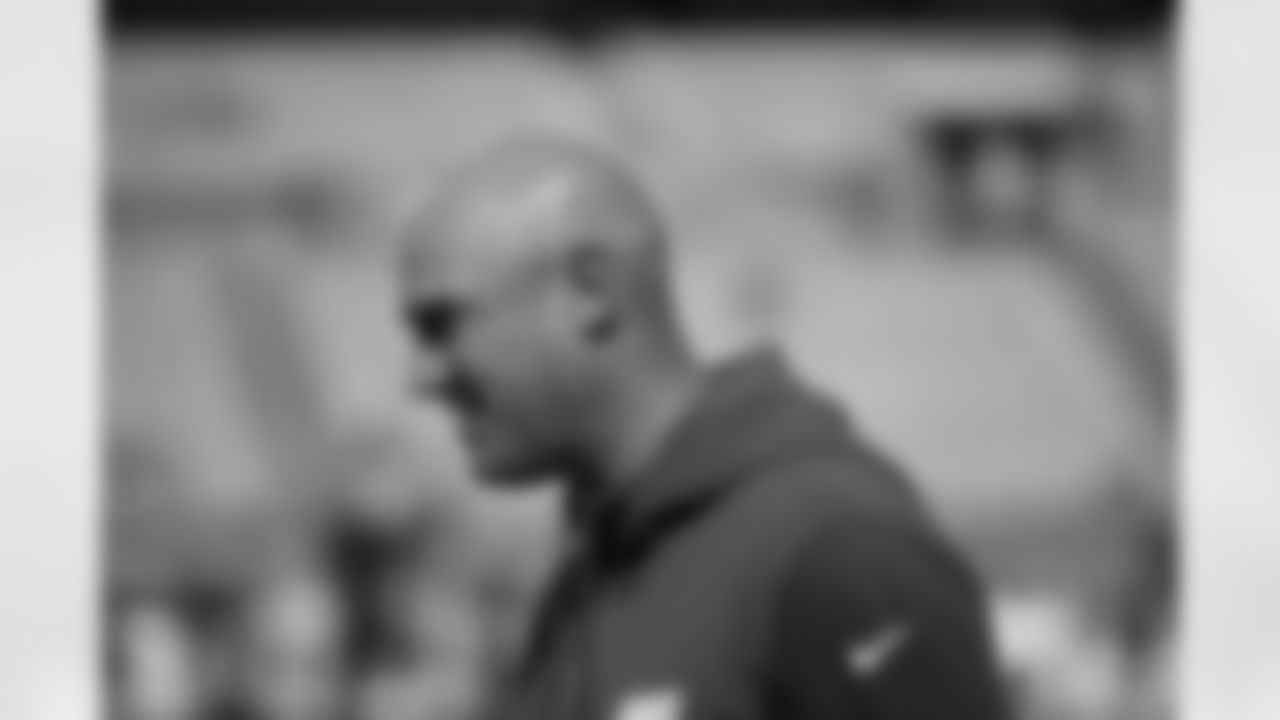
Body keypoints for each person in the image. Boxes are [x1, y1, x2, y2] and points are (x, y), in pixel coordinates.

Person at [396, 135, 1012, 720]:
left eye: (441, 324)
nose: (419, 378)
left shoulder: (834, 551)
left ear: (592, 290)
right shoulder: (589, 577)